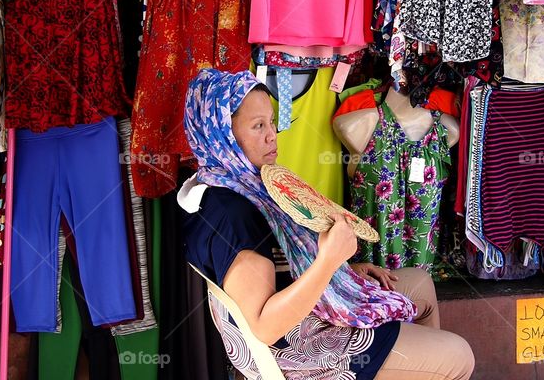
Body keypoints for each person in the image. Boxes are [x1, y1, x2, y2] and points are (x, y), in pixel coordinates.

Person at [179, 69, 475, 380]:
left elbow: (274, 272)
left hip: (301, 315)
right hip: (298, 348)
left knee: (420, 284)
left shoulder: (230, 185)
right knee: (459, 357)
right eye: (258, 126)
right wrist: (329, 262)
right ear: (221, 133)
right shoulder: (231, 213)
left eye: (271, 122)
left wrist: (342, 272)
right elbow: (265, 326)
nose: (272, 135)